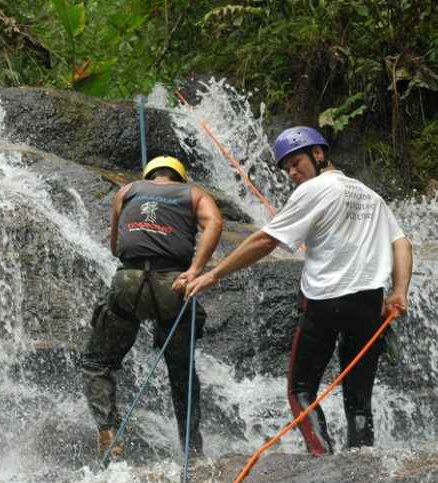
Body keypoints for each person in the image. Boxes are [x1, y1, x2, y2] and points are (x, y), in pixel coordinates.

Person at [185, 126, 413, 455]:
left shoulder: (315, 189)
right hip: (369, 304)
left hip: (325, 301)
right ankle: (363, 465)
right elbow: (401, 242)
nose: (292, 173)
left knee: (301, 389)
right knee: (359, 400)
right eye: (287, 167)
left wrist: (214, 274)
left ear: (318, 154)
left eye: (296, 162)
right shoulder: (368, 194)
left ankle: (322, 458)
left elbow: (265, 240)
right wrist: (399, 291)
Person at [81, 155, 223, 460]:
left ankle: (109, 433)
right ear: (179, 177)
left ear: (149, 175)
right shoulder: (195, 194)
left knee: (97, 363)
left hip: (129, 283)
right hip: (175, 284)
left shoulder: (127, 191)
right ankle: (192, 449)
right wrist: (196, 268)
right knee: (182, 372)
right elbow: (215, 222)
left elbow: (115, 248)